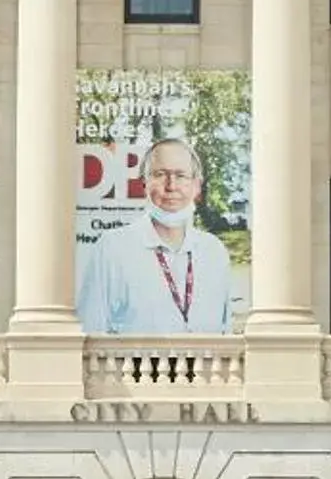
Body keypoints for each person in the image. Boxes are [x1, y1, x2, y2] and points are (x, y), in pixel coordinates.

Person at [76, 137, 235, 336]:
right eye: (160, 174)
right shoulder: (112, 248)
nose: (171, 186)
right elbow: (89, 332)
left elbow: (226, 335)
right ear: (144, 183)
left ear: (196, 186)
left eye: (181, 175)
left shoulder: (214, 252)